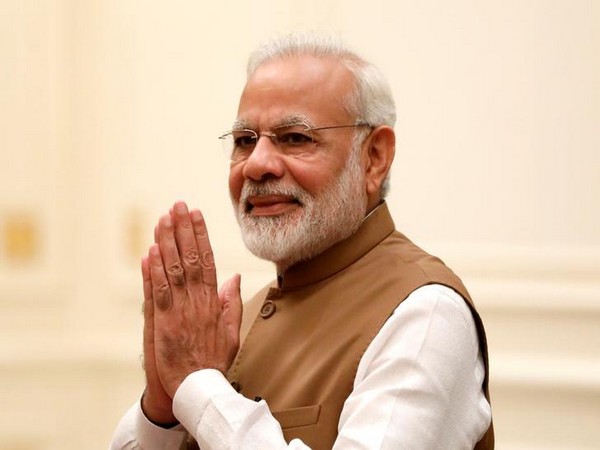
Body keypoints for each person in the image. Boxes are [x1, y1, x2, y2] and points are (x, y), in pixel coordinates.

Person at [110, 33, 494, 450]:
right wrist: (163, 407)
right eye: (244, 141)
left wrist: (200, 386)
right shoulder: (241, 319)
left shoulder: (426, 314)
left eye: (295, 138)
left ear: (374, 158)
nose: (257, 164)